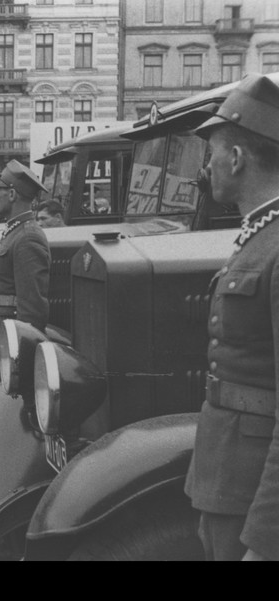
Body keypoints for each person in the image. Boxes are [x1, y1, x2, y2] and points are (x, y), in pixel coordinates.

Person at [184, 74, 279, 561]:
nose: (207, 167)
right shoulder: (259, 234)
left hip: (253, 486)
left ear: (238, 158)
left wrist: (266, 539)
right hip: (229, 470)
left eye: (212, 153)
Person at [0, 159, 50, 385]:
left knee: (8, 403)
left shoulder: (27, 236)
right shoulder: (15, 230)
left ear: (11, 195)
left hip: (11, 338)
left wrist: (23, 352)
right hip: (1, 330)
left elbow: (32, 305)